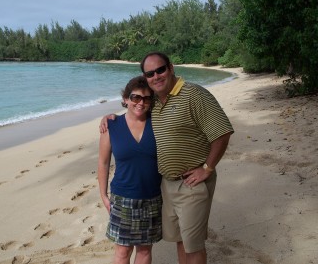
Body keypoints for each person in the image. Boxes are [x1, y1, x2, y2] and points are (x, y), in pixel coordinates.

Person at [100, 52, 234, 264]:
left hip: (191, 183)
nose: (156, 76)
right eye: (150, 73)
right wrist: (112, 117)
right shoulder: (157, 103)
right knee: (181, 241)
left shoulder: (193, 94)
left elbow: (222, 132)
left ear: (170, 68)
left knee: (193, 246)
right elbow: (136, 109)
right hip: (166, 186)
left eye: (160, 70)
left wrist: (207, 168)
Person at [98, 75, 162, 264]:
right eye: (135, 97)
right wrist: (103, 195)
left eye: (146, 98)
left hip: (152, 198)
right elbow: (103, 162)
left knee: (144, 250)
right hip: (123, 197)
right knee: (122, 252)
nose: (141, 103)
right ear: (126, 99)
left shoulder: (158, 122)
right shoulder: (111, 125)